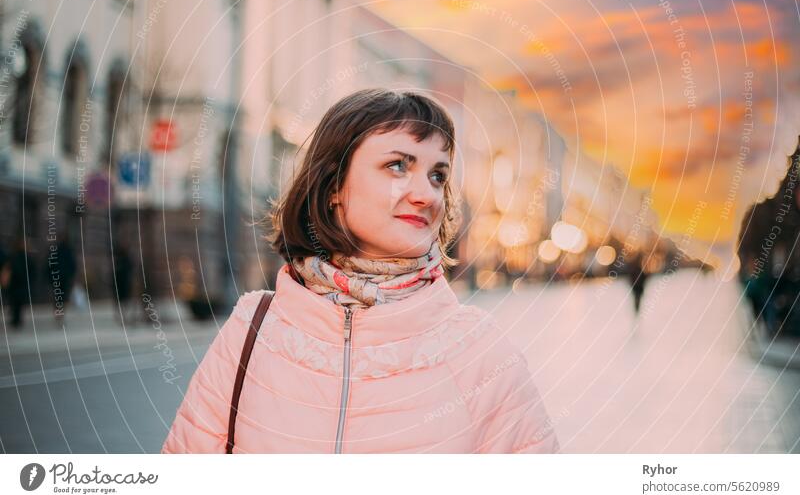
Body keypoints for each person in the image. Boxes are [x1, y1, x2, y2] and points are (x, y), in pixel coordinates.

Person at [161, 88, 560, 454]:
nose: (426, 195)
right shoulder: (252, 331)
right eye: (398, 166)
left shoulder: (480, 352)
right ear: (334, 186)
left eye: (437, 175)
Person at [2, 237, 32, 330]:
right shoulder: (20, 257)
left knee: (16, 302)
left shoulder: (14, 256)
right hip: (17, 283)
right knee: (17, 302)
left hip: (17, 284)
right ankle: (16, 319)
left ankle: (16, 319)